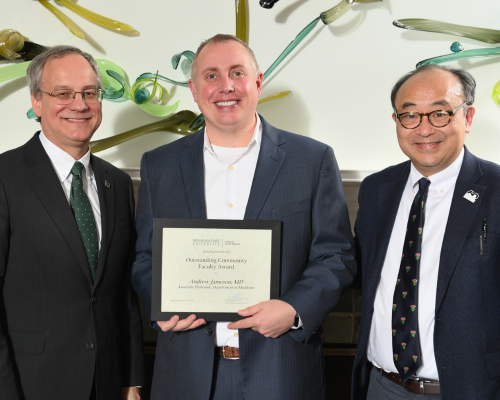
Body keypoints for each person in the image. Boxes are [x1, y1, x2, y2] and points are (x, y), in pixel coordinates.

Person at [131, 34, 356, 400]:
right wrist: (163, 303)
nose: (226, 86)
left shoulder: (311, 159)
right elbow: (145, 257)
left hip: (279, 367)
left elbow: (336, 255)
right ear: (193, 88)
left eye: (237, 72)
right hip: (186, 370)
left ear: (257, 81)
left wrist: (294, 308)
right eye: (211, 75)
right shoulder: (159, 165)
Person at [0, 45, 144, 400]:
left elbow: (121, 294)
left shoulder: (118, 184)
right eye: (62, 93)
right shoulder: (5, 177)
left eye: (89, 93)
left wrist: (132, 379)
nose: (78, 105)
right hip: (32, 384)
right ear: (36, 102)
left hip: (109, 383)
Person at [352, 64, 500, 399]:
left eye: (439, 114)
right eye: (410, 116)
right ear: (396, 122)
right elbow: (356, 271)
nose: (424, 129)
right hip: (383, 386)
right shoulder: (377, 189)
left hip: (471, 389)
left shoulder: (496, 188)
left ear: (468, 117)